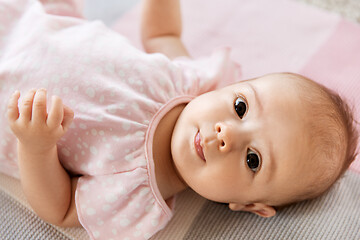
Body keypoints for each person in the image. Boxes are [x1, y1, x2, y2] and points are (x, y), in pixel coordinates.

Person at [1, 0, 358, 239]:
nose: (226, 134)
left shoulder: (136, 199)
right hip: (37, 19)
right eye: (240, 108)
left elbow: (60, 208)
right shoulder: (192, 82)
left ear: (249, 205)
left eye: (253, 159)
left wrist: (36, 146)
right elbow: (162, 35)